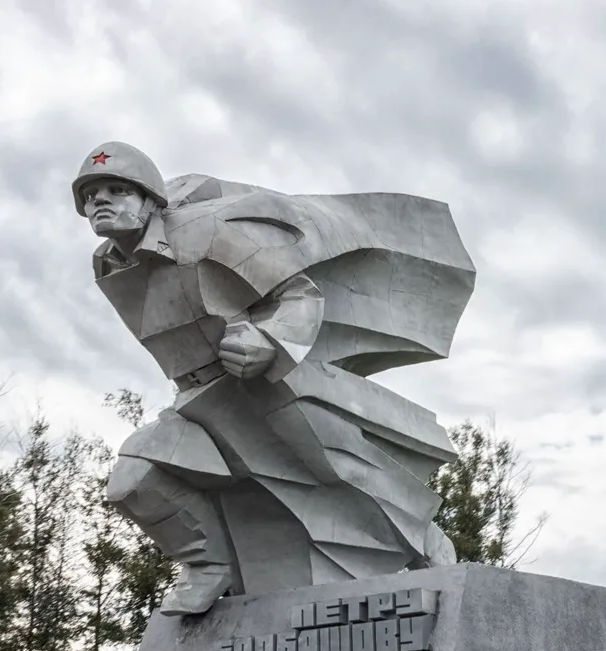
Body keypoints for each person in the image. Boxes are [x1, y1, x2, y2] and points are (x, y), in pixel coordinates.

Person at [72, 141, 476, 615]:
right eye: (92, 193)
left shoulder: (203, 234)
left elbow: (300, 296)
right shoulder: (109, 262)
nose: (102, 200)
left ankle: (427, 545)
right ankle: (208, 563)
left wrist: (268, 341)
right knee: (134, 479)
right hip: (201, 400)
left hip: (269, 386)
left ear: (150, 199)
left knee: (348, 480)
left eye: (118, 189)